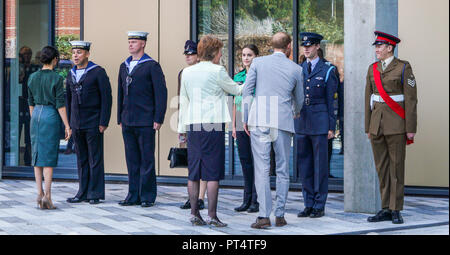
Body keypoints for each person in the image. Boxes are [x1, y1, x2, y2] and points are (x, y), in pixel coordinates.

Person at [178, 35, 243, 227]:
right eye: (220, 52)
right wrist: (253, 80)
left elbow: (184, 100)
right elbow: (236, 90)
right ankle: (212, 216)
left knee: (194, 172)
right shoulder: (218, 71)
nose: (221, 55)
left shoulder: (187, 72)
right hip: (212, 125)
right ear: (214, 52)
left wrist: (182, 129)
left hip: (193, 125)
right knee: (212, 172)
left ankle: (194, 213)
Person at [243, 32, 304, 229]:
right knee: (282, 168)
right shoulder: (296, 69)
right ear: (289, 47)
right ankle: (280, 215)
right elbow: (300, 99)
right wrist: (295, 111)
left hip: (260, 120)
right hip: (283, 121)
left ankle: (263, 215)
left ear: (272, 45)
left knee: (262, 168)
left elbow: (247, 90)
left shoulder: (258, 63)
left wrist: (246, 117)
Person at [365, 31, 417, 224]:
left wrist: (410, 127)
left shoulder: (403, 67)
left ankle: (396, 209)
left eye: (380, 46)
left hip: (396, 124)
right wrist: (368, 126)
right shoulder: (372, 69)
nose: (377, 49)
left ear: (390, 47)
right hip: (376, 124)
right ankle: (385, 208)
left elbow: (411, 100)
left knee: (396, 168)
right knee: (382, 168)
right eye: (376, 46)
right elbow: (367, 99)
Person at [118, 31, 168, 207]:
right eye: (129, 41)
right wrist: (120, 117)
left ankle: (147, 196)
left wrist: (158, 117)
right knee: (131, 159)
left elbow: (161, 93)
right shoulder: (124, 66)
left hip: (146, 120)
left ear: (143, 44)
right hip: (128, 120)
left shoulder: (152, 65)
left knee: (146, 159)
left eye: (134, 41)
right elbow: (120, 93)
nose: (130, 44)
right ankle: (133, 195)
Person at [295, 32, 338, 219]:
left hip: (320, 123)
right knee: (304, 166)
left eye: (310, 45)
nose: (306, 48)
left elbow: (332, 101)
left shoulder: (328, 69)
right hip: (302, 122)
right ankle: (308, 203)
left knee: (320, 167)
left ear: (317, 47)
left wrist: (331, 126)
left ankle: (319, 205)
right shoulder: (298, 68)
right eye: (304, 45)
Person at [66, 41, 112, 205]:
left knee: (95, 158)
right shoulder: (71, 74)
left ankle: (95, 193)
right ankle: (82, 191)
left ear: (87, 54)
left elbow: (107, 98)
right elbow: (68, 99)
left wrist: (103, 121)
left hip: (93, 122)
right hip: (77, 123)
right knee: (81, 159)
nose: (75, 56)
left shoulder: (97, 72)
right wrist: (70, 123)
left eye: (79, 52)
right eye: (74, 53)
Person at [27, 46, 71, 209]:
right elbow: (60, 104)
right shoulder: (56, 78)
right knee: (49, 158)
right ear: (55, 60)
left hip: (36, 115)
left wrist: (35, 119)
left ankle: (39, 194)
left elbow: (30, 102)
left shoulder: (32, 77)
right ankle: (48, 196)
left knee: (37, 156)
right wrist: (67, 125)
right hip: (50, 115)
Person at [179, 40, 207, 211]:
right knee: (192, 160)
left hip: (203, 120)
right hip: (188, 119)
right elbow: (182, 100)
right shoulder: (183, 73)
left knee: (204, 160)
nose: (188, 57)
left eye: (192, 54)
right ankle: (193, 196)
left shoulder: (204, 72)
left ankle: (201, 197)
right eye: (187, 54)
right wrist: (181, 126)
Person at [232, 44, 259, 213]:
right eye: (243, 55)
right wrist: (233, 125)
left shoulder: (260, 76)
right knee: (245, 162)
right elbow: (235, 102)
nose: (246, 58)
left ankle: (256, 200)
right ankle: (246, 199)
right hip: (241, 123)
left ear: (256, 56)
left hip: (255, 122)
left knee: (257, 162)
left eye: (249, 55)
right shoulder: (238, 76)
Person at [317, 48, 341, 178]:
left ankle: (324, 171)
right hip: (312, 117)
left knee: (326, 145)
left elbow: (333, 95)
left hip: (325, 114)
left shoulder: (330, 69)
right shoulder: (301, 68)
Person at [19, 46, 40, 165]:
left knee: (29, 133)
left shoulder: (35, 68)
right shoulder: (16, 68)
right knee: (15, 133)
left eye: (28, 54)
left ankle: (28, 160)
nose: (25, 57)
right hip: (18, 104)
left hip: (31, 103)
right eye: (23, 55)